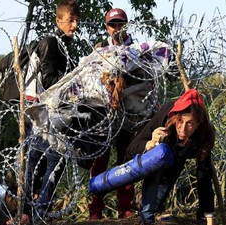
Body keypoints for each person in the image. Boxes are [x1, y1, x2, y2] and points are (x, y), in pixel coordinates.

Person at [125, 89, 215, 225]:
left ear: (198, 124)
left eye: (190, 123)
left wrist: (209, 217)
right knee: (160, 156)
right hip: (156, 155)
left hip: (179, 156)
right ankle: (145, 211)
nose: (183, 128)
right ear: (175, 117)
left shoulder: (205, 133)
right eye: (180, 121)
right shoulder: (165, 115)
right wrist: (151, 143)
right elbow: (131, 148)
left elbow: (204, 175)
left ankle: (149, 204)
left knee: (158, 199)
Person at [24, 0, 80, 217]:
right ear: (58, 20)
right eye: (70, 21)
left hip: (43, 111)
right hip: (39, 111)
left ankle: (29, 210)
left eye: (77, 21)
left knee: (36, 160)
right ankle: (39, 210)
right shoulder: (51, 43)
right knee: (54, 158)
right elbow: (49, 81)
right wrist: (77, 81)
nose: (74, 25)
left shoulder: (61, 43)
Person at [88, 8, 135, 220]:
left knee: (125, 162)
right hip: (105, 116)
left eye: (120, 24)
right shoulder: (100, 50)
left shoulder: (136, 51)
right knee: (100, 161)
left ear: (126, 25)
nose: (117, 29)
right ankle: (95, 209)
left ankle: (125, 207)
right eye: (113, 24)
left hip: (128, 114)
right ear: (107, 27)